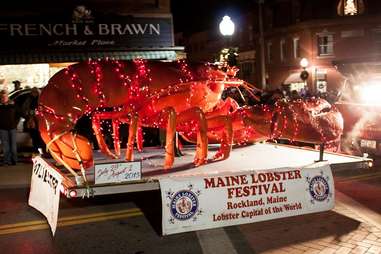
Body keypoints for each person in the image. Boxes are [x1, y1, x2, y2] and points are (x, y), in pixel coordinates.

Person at [21, 87, 45, 154]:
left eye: (35, 92)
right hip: (31, 121)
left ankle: (41, 151)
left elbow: (44, 109)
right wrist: (28, 113)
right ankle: (36, 150)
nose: (34, 93)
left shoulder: (41, 100)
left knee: (40, 137)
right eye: (33, 92)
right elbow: (24, 109)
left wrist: (37, 113)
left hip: (40, 122)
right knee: (34, 137)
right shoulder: (29, 100)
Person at [0, 90, 18, 165]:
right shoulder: (0, 106)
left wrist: (15, 123)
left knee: (13, 146)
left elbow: (18, 114)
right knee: (5, 146)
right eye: (2, 97)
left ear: (7, 96)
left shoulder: (13, 105)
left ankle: (14, 160)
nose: (4, 98)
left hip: (12, 128)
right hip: (3, 128)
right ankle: (7, 161)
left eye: (5, 96)